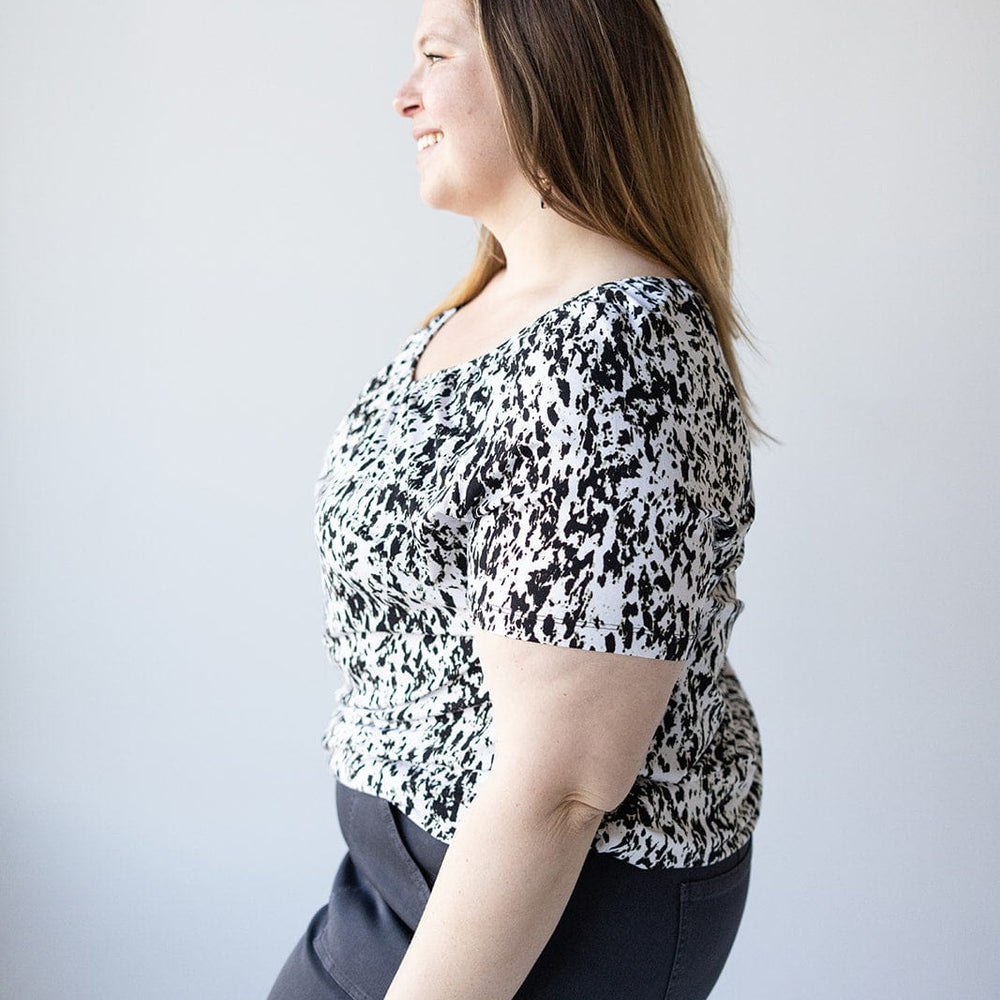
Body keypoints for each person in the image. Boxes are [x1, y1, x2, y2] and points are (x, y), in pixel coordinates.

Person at [266, 1, 764, 998]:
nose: (404, 96)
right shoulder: (482, 308)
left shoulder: (614, 355)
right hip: (403, 871)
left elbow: (561, 786)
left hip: (552, 906)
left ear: (550, 70)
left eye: (434, 55)